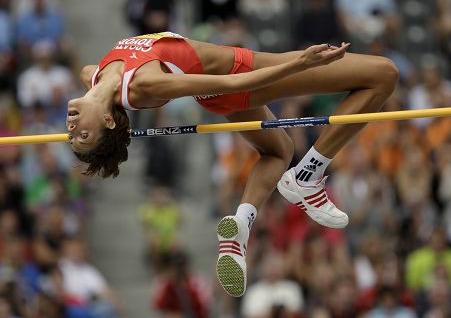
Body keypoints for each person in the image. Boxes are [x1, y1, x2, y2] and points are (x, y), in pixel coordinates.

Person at [66, 31, 399, 296]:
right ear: (108, 121)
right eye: (83, 137)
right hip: (241, 74)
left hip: (226, 79)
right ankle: (309, 174)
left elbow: (96, 88)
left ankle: (240, 226)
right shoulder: (143, 86)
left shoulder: (91, 76)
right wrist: (300, 62)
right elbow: (231, 84)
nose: (71, 131)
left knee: (278, 151)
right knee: (384, 74)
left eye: (73, 136)